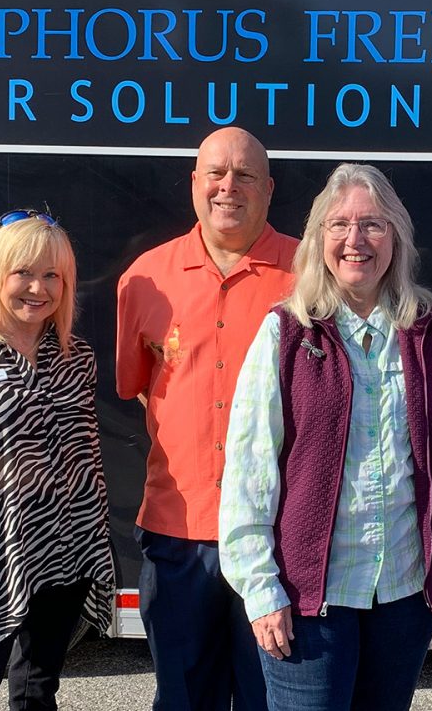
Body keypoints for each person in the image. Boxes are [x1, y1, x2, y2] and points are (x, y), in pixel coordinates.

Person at [219, 162, 432, 711]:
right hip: (310, 599)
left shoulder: (429, 331)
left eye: (373, 224)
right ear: (318, 240)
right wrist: (261, 590)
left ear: (397, 238)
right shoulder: (284, 332)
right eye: (339, 225)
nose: (355, 240)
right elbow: (249, 469)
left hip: (404, 593)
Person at [116, 127, 297, 710]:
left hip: (280, 538)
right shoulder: (145, 279)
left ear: (268, 188)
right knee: (183, 699)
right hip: (178, 533)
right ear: (194, 183)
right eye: (216, 173)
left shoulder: (312, 274)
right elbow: (139, 387)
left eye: (245, 175)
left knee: (269, 698)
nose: (228, 187)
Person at [0, 210, 115, 710]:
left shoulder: (78, 359)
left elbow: (87, 455)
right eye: (24, 273)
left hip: (64, 550)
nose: (39, 287)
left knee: (37, 690)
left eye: (53, 275)